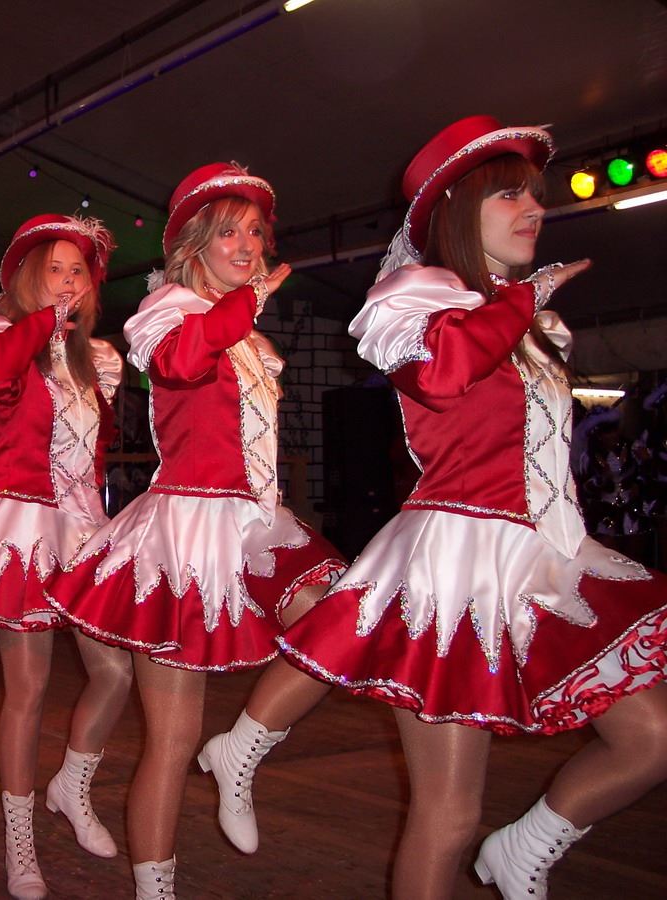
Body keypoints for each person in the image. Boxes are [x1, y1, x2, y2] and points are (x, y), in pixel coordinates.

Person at [260, 116, 667, 899]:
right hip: (454, 574)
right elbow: (444, 373)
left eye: (535, 195)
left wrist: (522, 303)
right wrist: (521, 299)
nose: (534, 208)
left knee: (652, 737)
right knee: (448, 815)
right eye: (509, 194)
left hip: (545, 556)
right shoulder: (415, 299)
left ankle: (525, 848)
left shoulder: (532, 321)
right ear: (454, 209)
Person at [44, 165, 345, 897]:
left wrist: (245, 311)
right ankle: (156, 889)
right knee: (172, 739)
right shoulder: (168, 311)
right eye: (228, 232)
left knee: (337, 624)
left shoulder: (248, 335)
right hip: (183, 535)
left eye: (255, 232)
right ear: (194, 245)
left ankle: (242, 747)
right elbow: (180, 363)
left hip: (254, 522)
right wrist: (244, 305)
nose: (247, 245)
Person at [0, 216, 133, 899]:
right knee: (30, 689)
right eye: (56, 270)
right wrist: (41, 324)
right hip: (19, 524)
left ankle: (71, 784)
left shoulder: (93, 358)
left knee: (116, 672)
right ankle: (21, 842)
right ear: (26, 279)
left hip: (82, 529)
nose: (69, 282)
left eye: (79, 272)